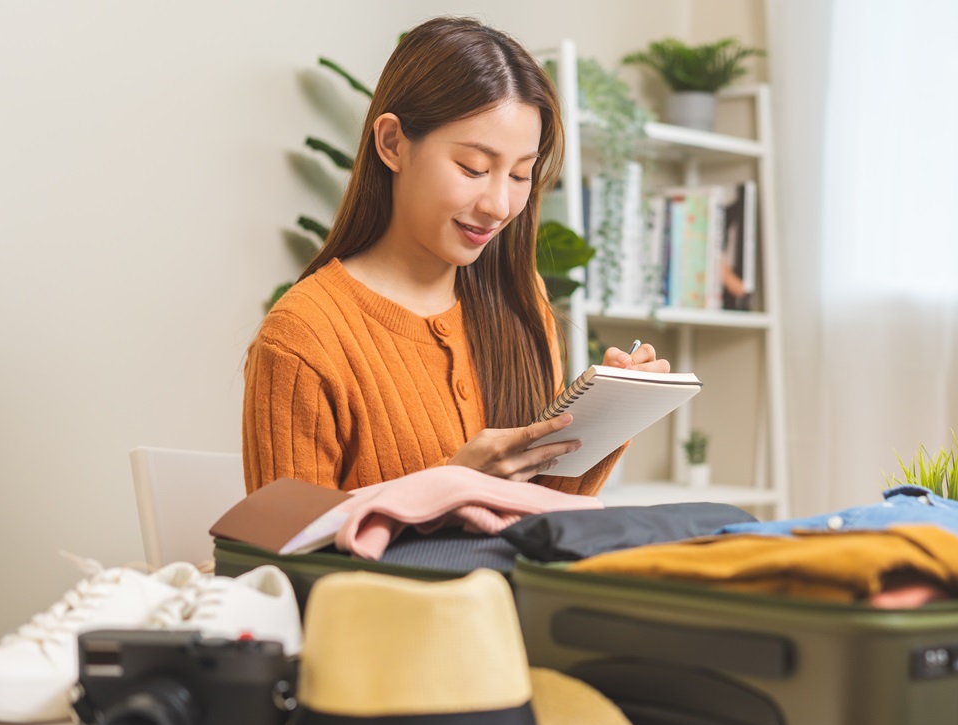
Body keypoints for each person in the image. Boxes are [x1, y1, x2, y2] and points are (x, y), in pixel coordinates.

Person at [242, 16, 669, 496]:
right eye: (474, 168)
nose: (498, 206)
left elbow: (534, 517)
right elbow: (279, 556)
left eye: (519, 175)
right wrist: (446, 487)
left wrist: (605, 420)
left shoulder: (521, 300)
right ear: (392, 143)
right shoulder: (304, 336)